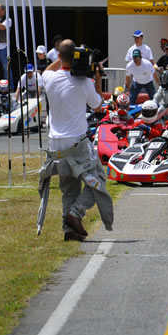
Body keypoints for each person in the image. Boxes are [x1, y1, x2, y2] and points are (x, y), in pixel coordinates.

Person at [39, 39, 113, 241]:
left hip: (56, 144)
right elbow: (98, 105)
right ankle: (76, 213)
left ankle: (69, 230)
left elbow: (49, 69)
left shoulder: (49, 78)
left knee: (69, 186)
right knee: (98, 179)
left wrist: (66, 57)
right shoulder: (84, 82)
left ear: (59, 57)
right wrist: (96, 76)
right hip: (77, 143)